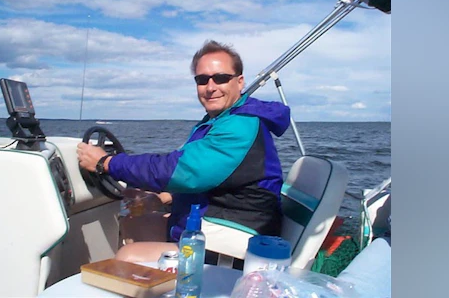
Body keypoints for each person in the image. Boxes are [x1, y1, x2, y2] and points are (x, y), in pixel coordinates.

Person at [77, 40, 290, 262]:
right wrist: (165, 198)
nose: (210, 87)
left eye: (220, 78)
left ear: (239, 82)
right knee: (135, 221)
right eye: (202, 79)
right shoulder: (220, 120)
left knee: (128, 257)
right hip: (219, 219)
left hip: (236, 239)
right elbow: (212, 179)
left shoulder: (239, 126)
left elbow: (178, 170)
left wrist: (106, 163)